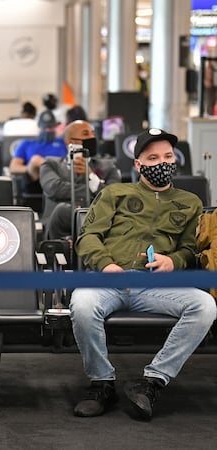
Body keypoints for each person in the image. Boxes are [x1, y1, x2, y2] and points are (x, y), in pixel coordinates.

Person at [69, 128, 217, 420]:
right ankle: (102, 383)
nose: (163, 162)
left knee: (205, 306)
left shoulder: (190, 202)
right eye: (153, 157)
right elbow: (87, 237)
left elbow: (190, 249)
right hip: (108, 280)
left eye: (168, 156)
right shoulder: (114, 193)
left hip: (157, 286)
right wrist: (107, 265)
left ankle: (152, 382)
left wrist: (173, 261)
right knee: (83, 305)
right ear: (139, 165)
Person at [39, 120, 120, 240]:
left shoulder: (108, 166)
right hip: (57, 229)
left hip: (96, 224)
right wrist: (96, 188)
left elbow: (114, 197)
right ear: (70, 141)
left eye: (93, 133)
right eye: (86, 134)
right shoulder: (51, 164)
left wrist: (91, 176)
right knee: (62, 210)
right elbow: (55, 189)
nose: (92, 137)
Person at [9, 110, 67, 195]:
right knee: (35, 160)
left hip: (59, 180)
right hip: (35, 182)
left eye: (50, 127)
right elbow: (13, 167)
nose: (47, 130)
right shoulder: (27, 144)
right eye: (45, 128)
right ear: (39, 126)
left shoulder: (63, 143)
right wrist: (33, 167)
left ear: (55, 126)